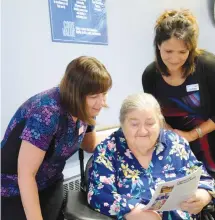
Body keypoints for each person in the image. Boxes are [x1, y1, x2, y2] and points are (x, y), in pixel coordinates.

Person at [1, 56, 112, 220]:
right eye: (94, 96)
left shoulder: (87, 109)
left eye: (103, 94)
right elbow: (26, 175)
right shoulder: (46, 112)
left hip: (50, 181)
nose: (101, 102)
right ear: (75, 93)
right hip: (16, 187)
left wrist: (127, 136)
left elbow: (89, 144)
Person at [87, 93, 215, 220]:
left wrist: (203, 196)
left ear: (160, 123)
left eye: (150, 123)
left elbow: (204, 178)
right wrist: (132, 211)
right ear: (122, 124)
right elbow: (98, 194)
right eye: (134, 124)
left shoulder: (175, 143)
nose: (143, 131)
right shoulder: (108, 150)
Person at [142, 9, 215, 176]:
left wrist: (191, 134)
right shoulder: (150, 76)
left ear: (191, 49)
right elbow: (156, 114)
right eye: (168, 51)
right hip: (177, 150)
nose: (175, 58)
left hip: (210, 146)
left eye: (183, 52)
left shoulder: (208, 66)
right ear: (158, 45)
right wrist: (174, 135)